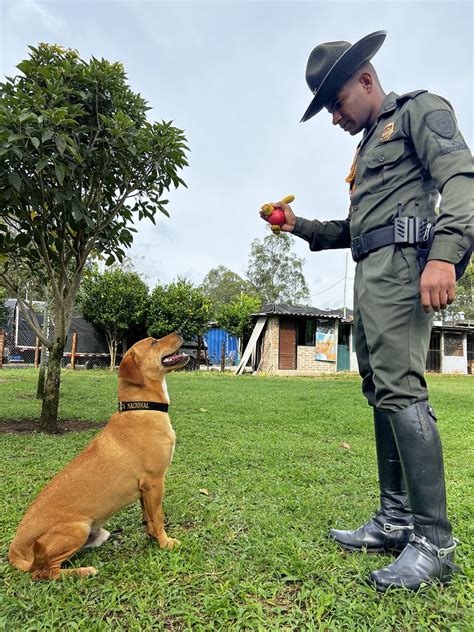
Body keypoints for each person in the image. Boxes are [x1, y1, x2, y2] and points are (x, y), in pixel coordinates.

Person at [260, 30, 473, 591]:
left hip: (407, 271)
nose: (334, 117)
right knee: (380, 389)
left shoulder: (418, 112)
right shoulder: (366, 148)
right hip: (371, 274)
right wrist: (296, 226)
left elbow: (461, 179)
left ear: (366, 78)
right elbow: (354, 228)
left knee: (402, 389)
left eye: (336, 104)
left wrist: (446, 255)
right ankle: (395, 519)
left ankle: (434, 541)